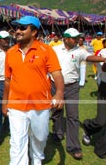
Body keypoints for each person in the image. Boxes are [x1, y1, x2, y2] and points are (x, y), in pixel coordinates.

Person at [2, 16, 64, 165]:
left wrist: (60, 93)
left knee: (40, 137)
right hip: (16, 105)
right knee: (17, 142)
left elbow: (56, 74)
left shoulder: (46, 50)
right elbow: (7, 80)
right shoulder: (10, 52)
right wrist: (4, 102)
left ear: (34, 31)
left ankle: (37, 159)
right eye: (17, 27)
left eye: (23, 28)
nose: (18, 31)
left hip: (40, 104)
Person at [51, 28, 106, 160]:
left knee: (73, 116)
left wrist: (103, 59)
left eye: (78, 38)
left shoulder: (79, 51)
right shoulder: (54, 49)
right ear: (66, 38)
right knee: (57, 112)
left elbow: (90, 57)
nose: (77, 40)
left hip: (72, 88)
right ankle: (58, 133)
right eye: (74, 38)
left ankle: (74, 147)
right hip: (54, 85)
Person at [82, 42, 106, 158]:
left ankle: (101, 150)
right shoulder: (103, 53)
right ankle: (87, 126)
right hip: (104, 89)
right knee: (101, 121)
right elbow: (104, 69)